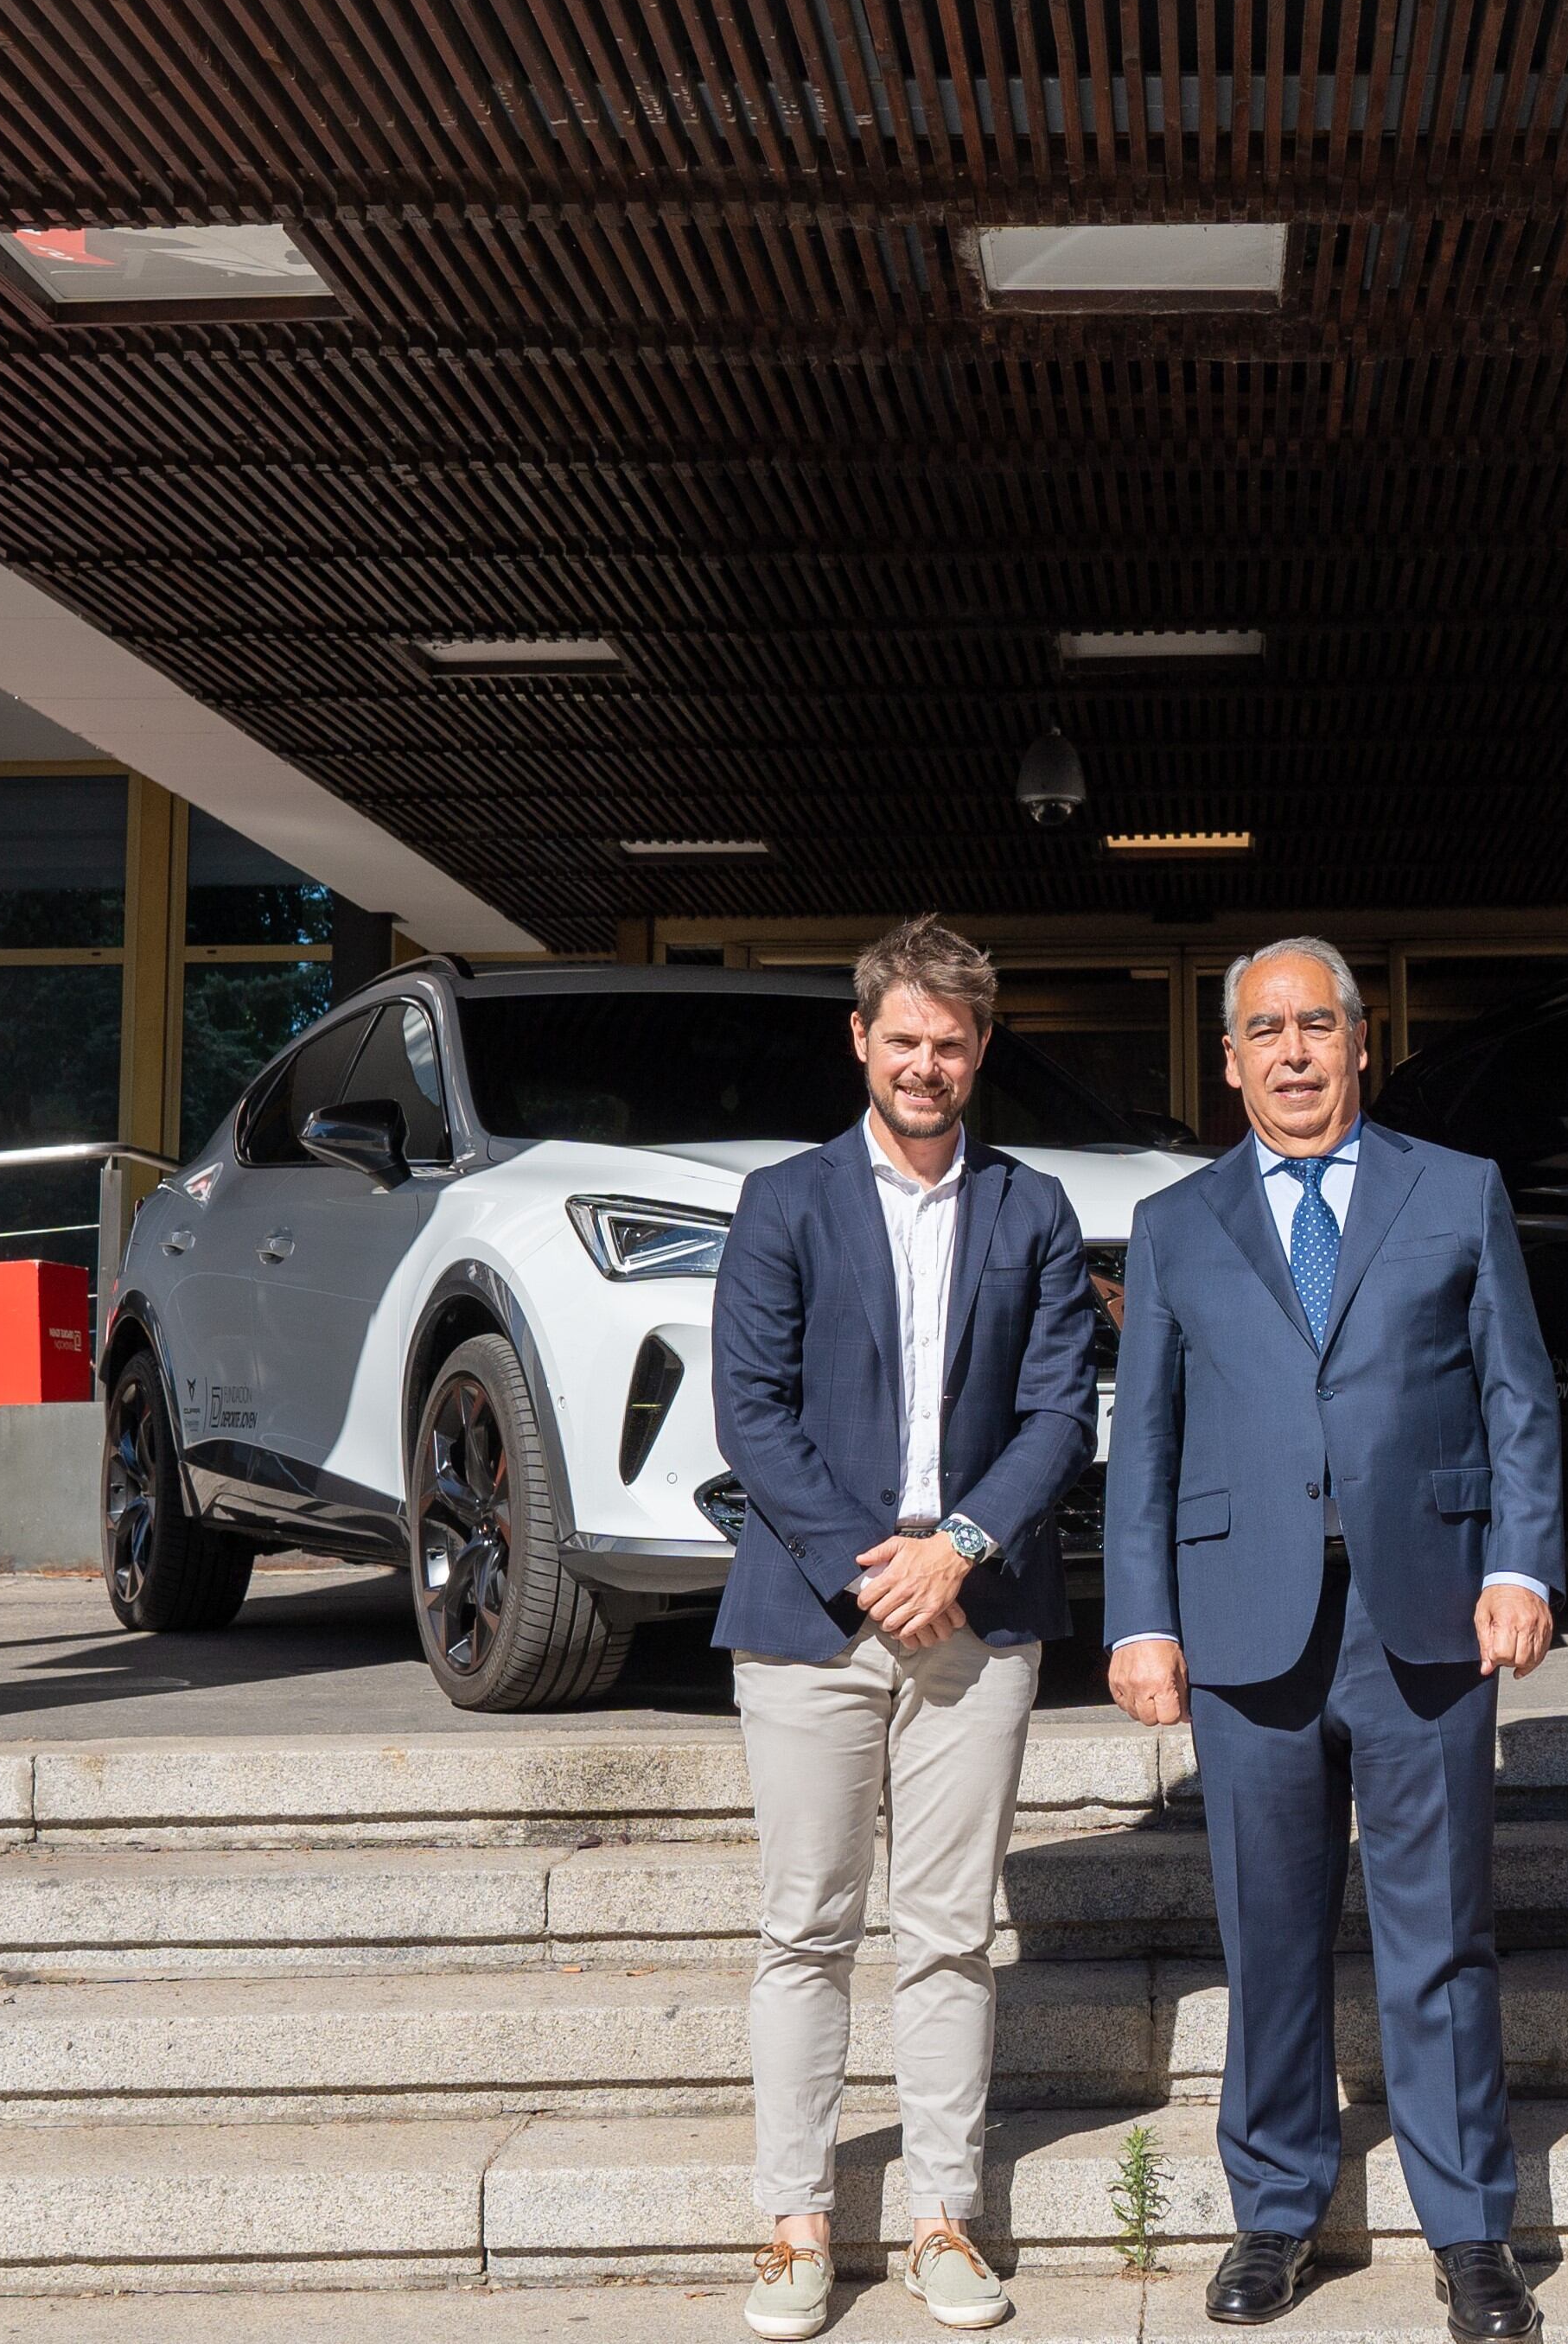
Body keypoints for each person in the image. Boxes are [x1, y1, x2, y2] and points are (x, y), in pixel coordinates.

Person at [1105, 937, 1566, 2342]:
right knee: (1268, 1936)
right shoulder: (1178, 1224)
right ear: (1230, 1060)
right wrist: (1138, 1618)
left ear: (1363, 1044)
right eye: (1266, 1031)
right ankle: (1277, 2214)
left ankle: (1470, 2229)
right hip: (1244, 1623)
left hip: (1423, 1610)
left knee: (1437, 1941)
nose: (1295, 1052)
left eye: (1319, 1025)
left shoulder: (1457, 1189)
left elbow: (1518, 1400)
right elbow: (1145, 1443)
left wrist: (1521, 1565)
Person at [708, 916, 1100, 2340]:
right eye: (904, 1040)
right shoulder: (782, 1201)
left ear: (980, 1050)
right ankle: (794, 2226)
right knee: (805, 1926)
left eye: (951, 1042)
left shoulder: (1032, 1208)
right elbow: (749, 1410)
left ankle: (944, 2217)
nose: (926, 1064)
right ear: (859, 1041)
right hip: (810, 1617)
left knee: (945, 1933)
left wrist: (960, 1552)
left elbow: (1061, 1410)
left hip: (977, 1618)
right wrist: (869, 1564)